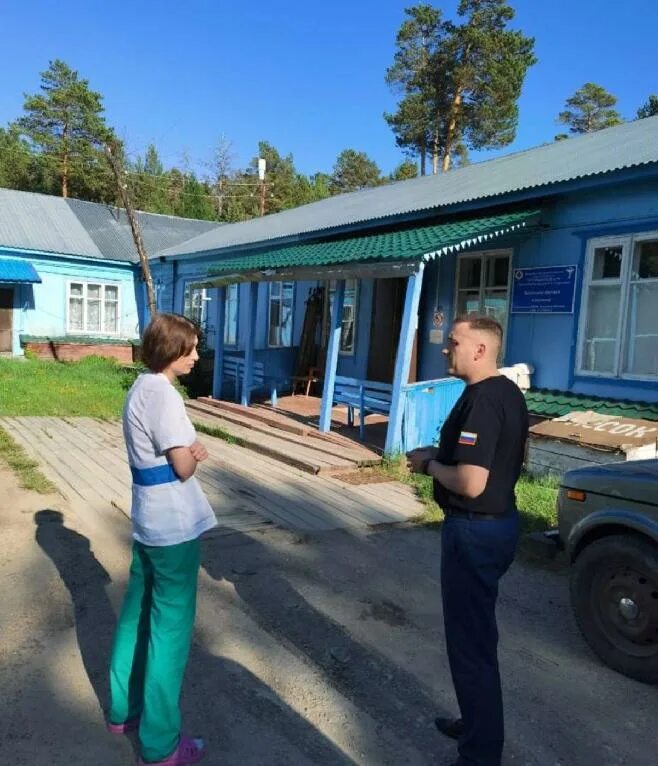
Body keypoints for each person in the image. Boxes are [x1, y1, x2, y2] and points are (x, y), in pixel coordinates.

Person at [408, 315, 528, 766]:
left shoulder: (483, 402)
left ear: (479, 349)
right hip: (496, 525)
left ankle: (480, 753)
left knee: (470, 646)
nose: (445, 349)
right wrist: (439, 455)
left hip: (475, 530)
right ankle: (477, 722)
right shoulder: (505, 392)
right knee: (477, 639)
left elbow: (472, 481)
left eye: (453, 342)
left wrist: (428, 467)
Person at [107, 313, 217, 766]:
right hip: (172, 526)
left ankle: (122, 711)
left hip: (147, 523)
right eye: (189, 348)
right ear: (170, 351)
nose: (195, 356)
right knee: (169, 634)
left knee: (136, 616)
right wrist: (194, 453)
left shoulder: (139, 387)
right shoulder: (167, 397)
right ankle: (161, 745)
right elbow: (182, 467)